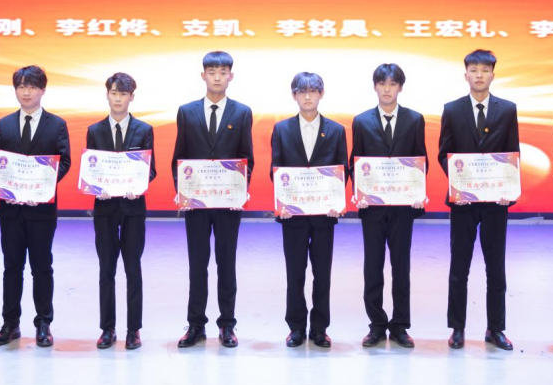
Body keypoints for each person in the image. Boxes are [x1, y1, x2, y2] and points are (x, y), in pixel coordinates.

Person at [438, 49, 520, 351]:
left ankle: (495, 329)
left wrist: (507, 187)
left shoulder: (507, 109)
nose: (479, 75)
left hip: (496, 202)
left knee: (495, 267)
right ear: (466, 75)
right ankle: (457, 328)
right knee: (459, 267)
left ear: (493, 75)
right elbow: (444, 153)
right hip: (463, 203)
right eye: (474, 70)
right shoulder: (452, 109)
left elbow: (512, 153)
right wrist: (460, 184)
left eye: (485, 70)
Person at [172, 51, 255, 348]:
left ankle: (227, 325)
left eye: (222, 72)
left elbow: (247, 157)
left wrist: (241, 190)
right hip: (196, 203)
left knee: (226, 263)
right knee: (197, 264)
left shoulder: (242, 112)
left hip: (227, 203)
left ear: (231, 76)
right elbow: (179, 156)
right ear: (203, 75)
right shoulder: (187, 111)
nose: (217, 77)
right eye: (212, 72)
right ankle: (196, 325)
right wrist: (181, 189)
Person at [0, 65, 72, 348]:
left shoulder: (56, 124)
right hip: (11, 209)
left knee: (42, 267)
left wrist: (43, 186)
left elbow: (64, 161)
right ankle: (10, 323)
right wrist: (5, 187)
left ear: (42, 90)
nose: (26, 92)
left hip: (41, 209)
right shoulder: (4, 124)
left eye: (32, 86)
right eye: (21, 86)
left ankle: (43, 323)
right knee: (12, 267)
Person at [351, 63, 427, 348]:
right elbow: (356, 162)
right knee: (373, 267)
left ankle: (400, 325)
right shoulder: (361, 121)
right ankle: (376, 325)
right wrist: (359, 191)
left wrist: (418, 191)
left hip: (403, 207)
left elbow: (420, 159)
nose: (387, 89)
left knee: (401, 267)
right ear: (375, 86)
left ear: (400, 87)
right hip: (372, 208)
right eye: (382, 83)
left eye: (392, 84)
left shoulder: (414, 119)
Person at [270, 72, 349, 348]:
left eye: (313, 91)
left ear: (321, 94)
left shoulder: (336, 130)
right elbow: (275, 169)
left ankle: (319, 328)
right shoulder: (282, 129)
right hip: (293, 215)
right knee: (295, 274)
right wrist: (282, 202)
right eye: (301, 91)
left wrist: (336, 201)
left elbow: (343, 170)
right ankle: (295, 328)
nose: (307, 96)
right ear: (293, 95)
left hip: (324, 215)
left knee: (322, 274)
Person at [85, 72, 156, 351]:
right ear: (107, 95)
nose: (117, 98)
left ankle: (133, 329)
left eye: (123, 94)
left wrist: (139, 185)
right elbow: (91, 168)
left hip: (133, 208)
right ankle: (107, 328)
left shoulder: (144, 130)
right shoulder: (94, 130)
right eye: (113, 93)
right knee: (106, 269)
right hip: (104, 208)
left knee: (133, 268)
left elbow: (150, 169)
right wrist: (95, 186)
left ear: (131, 97)